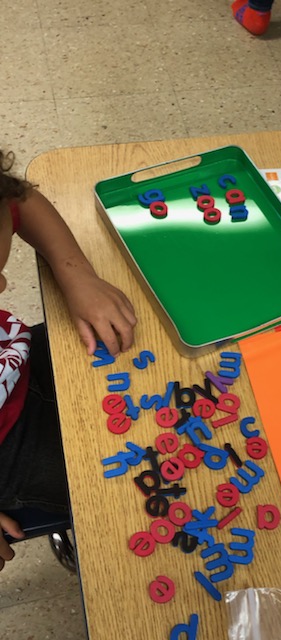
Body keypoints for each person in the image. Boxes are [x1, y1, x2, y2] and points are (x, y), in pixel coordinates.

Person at [0, 149, 137, 571]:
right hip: (10, 457)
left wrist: (76, 273)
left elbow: (21, 200)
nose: (3, 283)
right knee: (133, 496)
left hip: (17, 364)